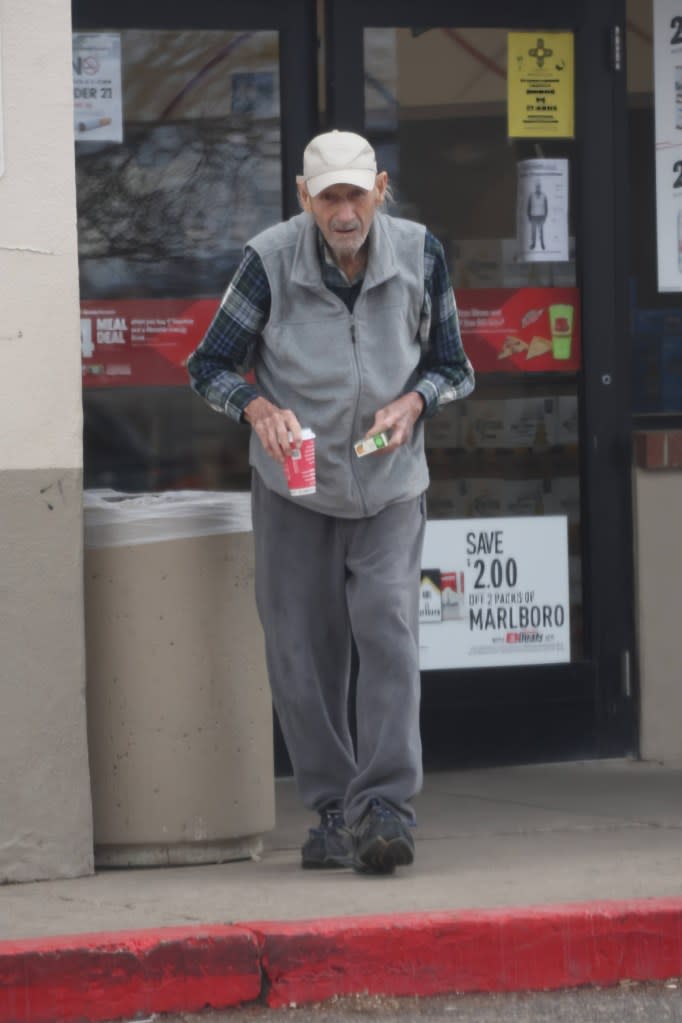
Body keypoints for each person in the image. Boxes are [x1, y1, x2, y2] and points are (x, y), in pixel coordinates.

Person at [187, 130, 474, 875]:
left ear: (380, 188)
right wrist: (257, 410)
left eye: (356, 194)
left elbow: (453, 366)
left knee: (386, 626)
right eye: (329, 197)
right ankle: (333, 810)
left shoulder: (419, 254)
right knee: (301, 654)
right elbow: (210, 362)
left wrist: (415, 401)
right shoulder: (268, 261)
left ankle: (384, 805)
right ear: (303, 196)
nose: (344, 212)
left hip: (389, 483)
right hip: (296, 485)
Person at [527, 181, 548, 251]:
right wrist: (529, 216)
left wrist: (545, 216)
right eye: (537, 187)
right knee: (533, 231)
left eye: (539, 187)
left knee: (541, 231)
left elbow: (546, 207)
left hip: (541, 216)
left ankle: (542, 244)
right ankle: (533, 244)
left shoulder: (544, 196)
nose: (538, 188)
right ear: (535, 187)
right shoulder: (531, 196)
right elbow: (528, 206)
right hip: (533, 216)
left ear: (540, 187)